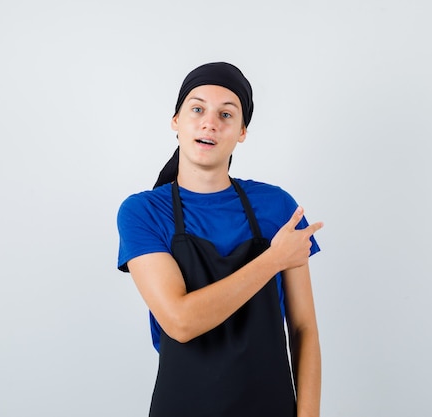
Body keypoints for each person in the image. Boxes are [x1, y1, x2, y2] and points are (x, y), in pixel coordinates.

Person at [117, 62, 323, 417]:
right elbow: (181, 321)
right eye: (197, 109)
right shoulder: (143, 212)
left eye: (226, 114)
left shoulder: (277, 207)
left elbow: (303, 328)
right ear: (176, 121)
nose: (209, 122)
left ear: (241, 131)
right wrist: (274, 259)